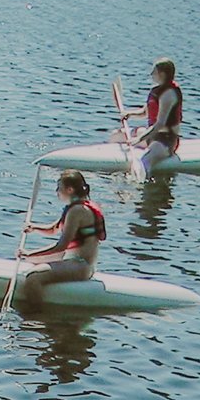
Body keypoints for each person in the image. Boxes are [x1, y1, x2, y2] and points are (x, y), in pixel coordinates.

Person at [15, 169, 106, 309]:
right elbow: (53, 229)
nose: (57, 191)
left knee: (33, 278)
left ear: (69, 189)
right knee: (32, 261)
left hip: (81, 266)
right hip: (74, 262)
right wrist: (34, 228)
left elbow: (61, 246)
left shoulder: (78, 211)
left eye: (59, 187)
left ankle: (36, 317)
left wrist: (29, 253)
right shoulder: (75, 207)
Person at [125, 58, 183, 171]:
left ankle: (142, 185)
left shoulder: (169, 94)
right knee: (116, 135)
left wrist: (139, 139)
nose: (151, 74)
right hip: (152, 135)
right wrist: (129, 114)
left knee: (144, 161)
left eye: (154, 72)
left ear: (162, 74)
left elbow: (160, 124)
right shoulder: (156, 91)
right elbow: (144, 112)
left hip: (165, 141)